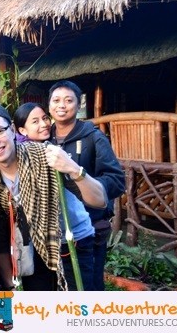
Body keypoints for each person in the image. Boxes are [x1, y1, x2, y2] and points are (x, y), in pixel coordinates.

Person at [0, 103, 107, 291]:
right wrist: (10, 282)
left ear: (12, 130)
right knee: (42, 313)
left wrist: (73, 169)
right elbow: (0, 234)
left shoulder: (47, 157)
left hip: (73, 243)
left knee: (78, 313)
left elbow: (99, 201)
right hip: (34, 247)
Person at [11, 102, 102, 289]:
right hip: (37, 244)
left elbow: (93, 197)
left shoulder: (52, 153)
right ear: (21, 130)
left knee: (80, 297)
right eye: (35, 121)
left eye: (44, 118)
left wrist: (73, 170)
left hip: (70, 237)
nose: (44, 124)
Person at [48, 80, 125, 290]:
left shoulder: (93, 137)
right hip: (55, 231)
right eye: (56, 100)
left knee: (88, 287)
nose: (61, 105)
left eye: (68, 100)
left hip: (89, 229)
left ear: (79, 104)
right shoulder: (44, 138)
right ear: (49, 105)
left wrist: (85, 182)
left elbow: (116, 181)